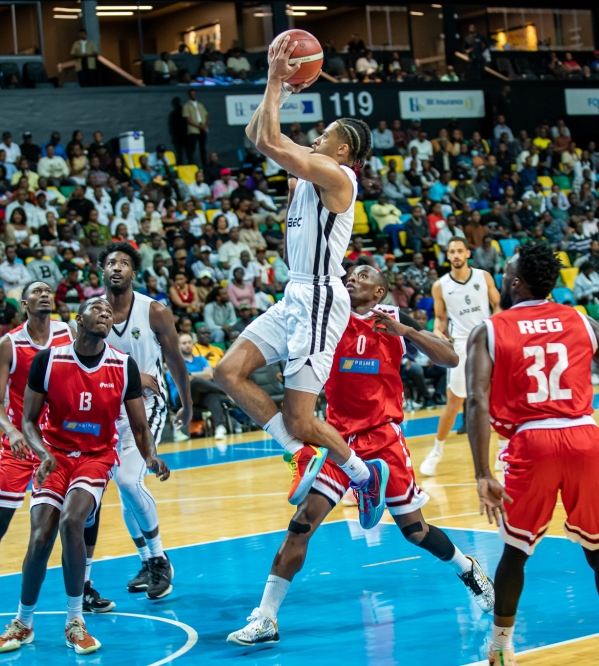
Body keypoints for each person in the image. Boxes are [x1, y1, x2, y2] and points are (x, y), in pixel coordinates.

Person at [226, 266, 494, 646]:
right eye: (349, 273)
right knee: (302, 523)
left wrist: (409, 333)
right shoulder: (327, 321)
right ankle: (266, 617)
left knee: (415, 532)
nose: (352, 277)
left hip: (385, 439)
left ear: (381, 290)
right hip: (338, 440)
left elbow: (451, 358)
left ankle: (468, 570)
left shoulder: (396, 321)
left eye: (363, 274)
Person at [215, 34, 387, 525]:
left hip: (319, 296)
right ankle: (299, 453)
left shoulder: (339, 178)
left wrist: (274, 77)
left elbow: (269, 141)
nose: (316, 137)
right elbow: (258, 135)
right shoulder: (308, 174)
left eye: (326, 133)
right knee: (227, 372)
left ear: (345, 147)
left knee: (301, 418)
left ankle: (361, 475)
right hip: (296, 291)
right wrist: (282, 90)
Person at [466, 241, 599, 666]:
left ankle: (500, 647)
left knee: (516, 550)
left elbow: (476, 400)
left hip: (532, 442)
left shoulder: (491, 329)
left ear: (514, 282)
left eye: (507, 269)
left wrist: (482, 472)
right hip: (585, 438)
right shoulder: (580, 320)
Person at [0, 297, 169, 655]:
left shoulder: (123, 365)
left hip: (95, 457)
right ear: (78, 320)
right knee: (40, 535)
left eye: (108, 311)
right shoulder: (49, 360)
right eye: (96, 309)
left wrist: (150, 456)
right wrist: (42, 455)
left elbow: (137, 423)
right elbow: (28, 420)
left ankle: (75, 620)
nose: (105, 313)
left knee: (72, 521)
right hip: (54, 456)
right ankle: (23, 622)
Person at [0, 282, 112, 624]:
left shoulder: (68, 331)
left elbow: (94, 369)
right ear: (24, 303)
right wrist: (11, 431)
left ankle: (84, 586)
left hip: (61, 442)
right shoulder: (9, 343)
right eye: (36, 291)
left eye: (48, 291)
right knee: (0, 520)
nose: (44, 294)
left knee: (86, 515)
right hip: (23, 444)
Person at [100, 242, 189, 598]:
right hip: (109, 405)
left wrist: (187, 403)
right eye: (111, 263)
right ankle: (147, 560)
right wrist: (131, 374)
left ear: (134, 272)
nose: (117, 267)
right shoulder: (95, 312)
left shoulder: (154, 311)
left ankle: (160, 560)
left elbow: (177, 361)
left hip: (147, 404)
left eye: (124, 263)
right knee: (125, 493)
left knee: (127, 478)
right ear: (102, 273)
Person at [419, 238, 500, 476]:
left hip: (486, 340)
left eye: (459, 251)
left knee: (497, 398)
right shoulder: (440, 285)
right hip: (461, 345)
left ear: (467, 253)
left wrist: (495, 322)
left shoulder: (483, 277)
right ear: (448, 255)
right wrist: (437, 330)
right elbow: (441, 317)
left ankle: (503, 452)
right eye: (451, 251)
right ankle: (436, 452)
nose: (455, 255)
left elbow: (497, 305)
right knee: (454, 404)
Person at [176, 332, 231, 438]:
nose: (187, 345)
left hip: (199, 397)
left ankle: (220, 427)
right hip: (182, 397)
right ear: (178, 345)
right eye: (184, 343)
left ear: (193, 343)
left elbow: (210, 374)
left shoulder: (200, 359)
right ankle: (226, 391)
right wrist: (199, 375)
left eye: (189, 342)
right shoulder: (176, 362)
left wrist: (192, 374)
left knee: (212, 395)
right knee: (195, 382)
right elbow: (185, 380)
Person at [182, 89, 209, 166]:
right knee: (192, 149)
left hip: (203, 129)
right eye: (191, 94)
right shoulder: (186, 106)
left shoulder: (200, 105)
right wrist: (199, 126)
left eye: (194, 94)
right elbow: (188, 119)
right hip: (193, 129)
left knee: (203, 148)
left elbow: (206, 116)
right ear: (189, 95)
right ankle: (192, 164)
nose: (193, 95)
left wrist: (205, 125)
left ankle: (205, 165)